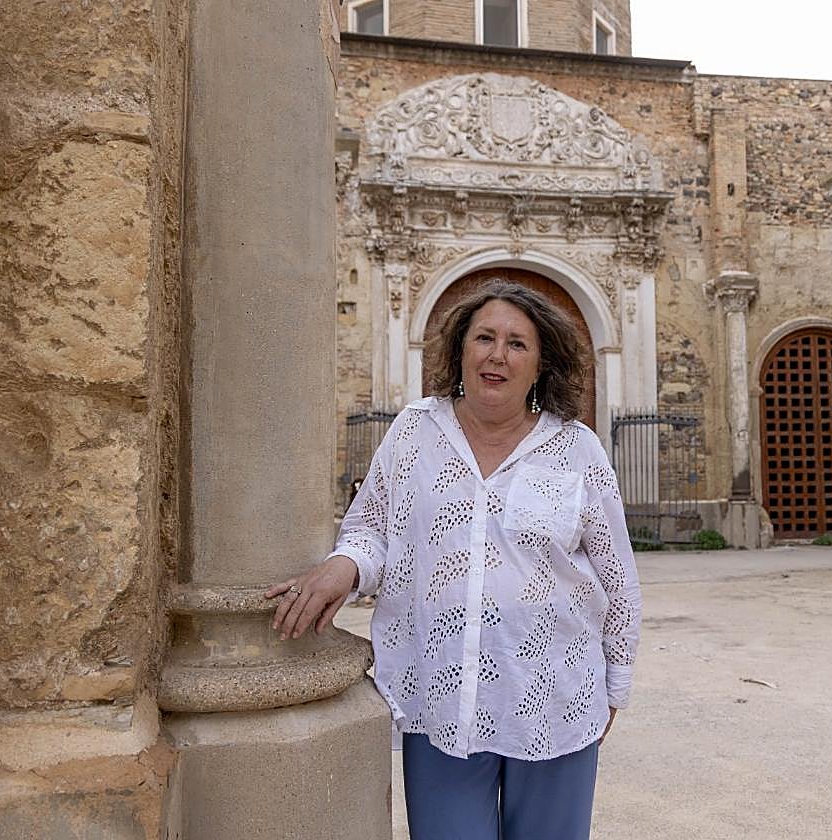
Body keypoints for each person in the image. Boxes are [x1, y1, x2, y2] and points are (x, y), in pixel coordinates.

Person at [266, 281, 641, 840]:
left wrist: (614, 686)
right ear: (460, 349)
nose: (497, 354)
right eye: (484, 337)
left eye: (518, 344)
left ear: (540, 365)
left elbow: (619, 579)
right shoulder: (414, 432)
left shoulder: (576, 449)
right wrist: (343, 568)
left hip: (554, 698)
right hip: (438, 698)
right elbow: (372, 529)